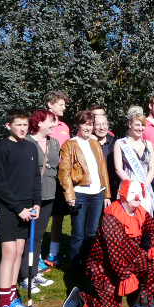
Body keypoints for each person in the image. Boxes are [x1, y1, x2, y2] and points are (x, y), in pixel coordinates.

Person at [60, 180, 154, 307]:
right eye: (133, 193)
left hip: (131, 257)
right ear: (123, 194)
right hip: (105, 267)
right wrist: (126, 276)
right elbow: (115, 253)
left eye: (139, 193)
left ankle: (141, 299)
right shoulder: (112, 217)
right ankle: (80, 297)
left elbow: (152, 227)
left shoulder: (140, 211)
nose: (137, 196)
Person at [0, 110, 41, 307]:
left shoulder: (30, 147)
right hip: (7, 208)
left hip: (27, 208)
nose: (23, 128)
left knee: (19, 252)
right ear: (8, 125)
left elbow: (36, 178)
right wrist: (18, 207)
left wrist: (36, 203)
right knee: (9, 253)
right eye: (18, 124)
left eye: (25, 125)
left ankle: (12, 299)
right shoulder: (1, 148)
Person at [58, 110, 112, 263]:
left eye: (91, 124)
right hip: (80, 194)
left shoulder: (95, 143)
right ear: (78, 125)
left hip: (97, 194)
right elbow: (64, 172)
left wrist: (107, 194)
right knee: (78, 234)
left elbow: (103, 170)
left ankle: (90, 265)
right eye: (85, 124)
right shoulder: (69, 144)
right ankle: (75, 266)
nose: (88, 128)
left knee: (92, 233)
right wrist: (70, 196)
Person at [20, 110, 59, 293]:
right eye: (51, 121)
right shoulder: (27, 142)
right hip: (31, 195)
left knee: (39, 235)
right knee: (29, 236)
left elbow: (57, 165)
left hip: (49, 194)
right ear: (40, 122)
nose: (54, 124)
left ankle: (34, 272)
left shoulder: (54, 142)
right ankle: (24, 276)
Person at [114, 106, 154, 214]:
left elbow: (152, 168)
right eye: (137, 125)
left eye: (143, 125)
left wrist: (145, 185)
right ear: (129, 124)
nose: (140, 128)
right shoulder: (120, 143)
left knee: (145, 219)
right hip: (128, 186)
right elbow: (118, 169)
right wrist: (133, 185)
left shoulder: (149, 144)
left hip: (145, 186)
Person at [45, 90, 71, 268]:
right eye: (61, 104)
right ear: (50, 105)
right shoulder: (40, 124)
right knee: (40, 218)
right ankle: (32, 257)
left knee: (58, 218)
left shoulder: (64, 127)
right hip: (45, 178)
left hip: (61, 179)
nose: (64, 107)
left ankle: (53, 254)